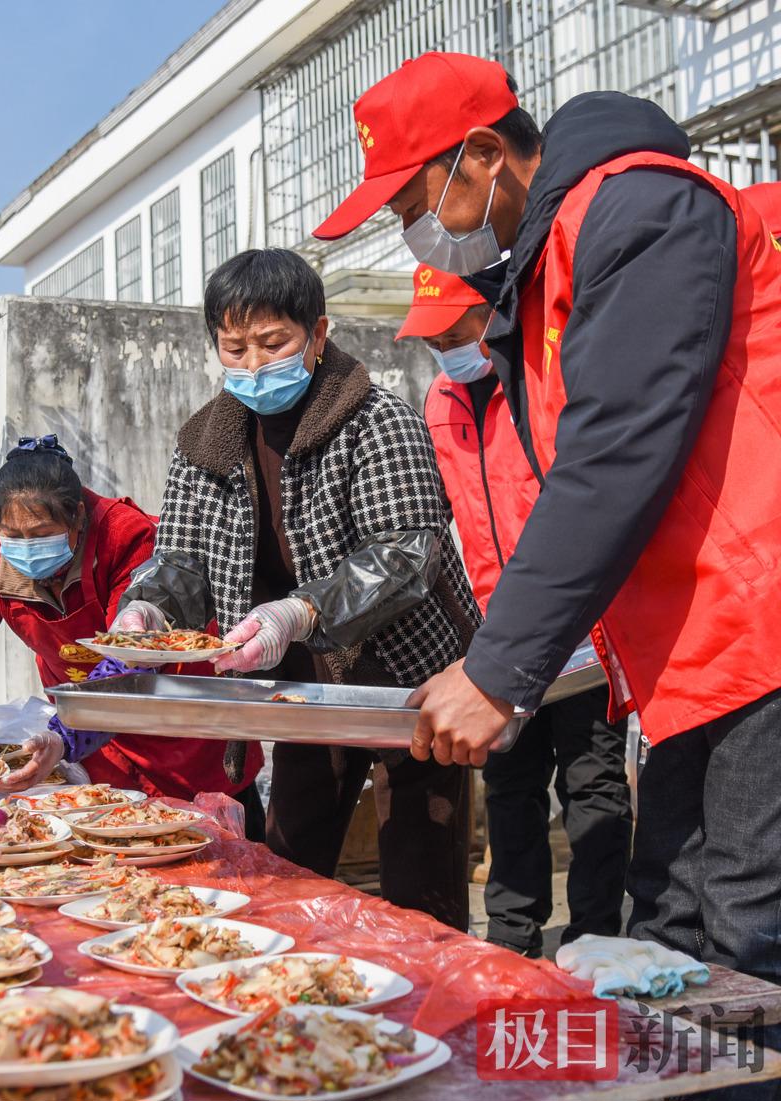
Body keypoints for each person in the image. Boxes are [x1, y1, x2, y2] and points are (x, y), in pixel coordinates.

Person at [313, 51, 781, 1008]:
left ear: (483, 155)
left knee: (744, 945)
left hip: (761, 626)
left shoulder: (639, 208)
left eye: (414, 205)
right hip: (696, 650)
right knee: (669, 933)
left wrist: (500, 668)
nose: (415, 239)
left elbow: (617, 450)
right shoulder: (550, 258)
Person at [114, 248, 481, 928]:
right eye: (234, 346)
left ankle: (430, 1006)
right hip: (302, 687)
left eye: (273, 342)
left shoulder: (377, 418)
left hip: (410, 675)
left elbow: (405, 552)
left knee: (419, 878)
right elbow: (182, 559)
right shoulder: (204, 440)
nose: (253, 364)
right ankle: (298, 1004)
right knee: (290, 861)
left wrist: (301, 608)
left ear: (317, 335)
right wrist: (149, 606)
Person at [400, 262, 632, 957]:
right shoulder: (441, 400)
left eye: (456, 331)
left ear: (494, 314)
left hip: (584, 626)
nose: (446, 349)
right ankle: (510, 935)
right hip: (500, 632)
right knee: (510, 779)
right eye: (432, 339)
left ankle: (593, 937)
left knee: (592, 783)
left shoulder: (541, 381)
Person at [0, 437, 266, 831]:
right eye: (12, 535)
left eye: (41, 533)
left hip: (184, 732)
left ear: (78, 517)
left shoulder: (126, 537)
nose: (25, 548)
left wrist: (63, 735)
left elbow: (130, 659)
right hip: (94, 745)